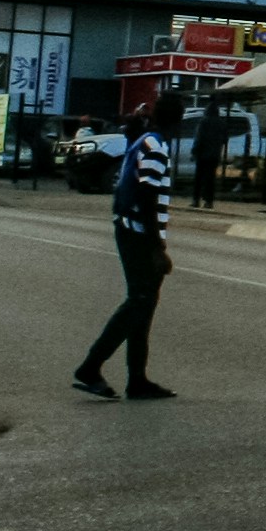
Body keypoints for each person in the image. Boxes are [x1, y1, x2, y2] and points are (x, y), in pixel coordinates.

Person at [74, 92, 179, 401]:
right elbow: (147, 196)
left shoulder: (144, 140)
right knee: (138, 302)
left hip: (129, 229)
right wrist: (157, 247)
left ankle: (137, 380)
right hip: (138, 234)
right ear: (176, 120)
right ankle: (90, 367)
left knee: (142, 307)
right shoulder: (156, 146)